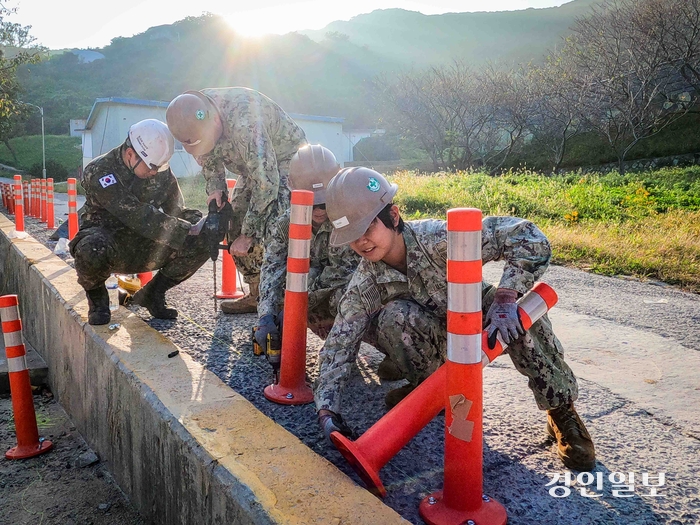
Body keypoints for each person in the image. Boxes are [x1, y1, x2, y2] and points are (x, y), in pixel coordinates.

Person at [314, 167, 596, 472]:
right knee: (394, 320)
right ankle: (433, 393)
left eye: (367, 228)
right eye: (353, 237)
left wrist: (506, 296)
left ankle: (561, 411)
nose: (362, 243)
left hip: (481, 319)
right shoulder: (367, 280)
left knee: (524, 318)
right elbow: (340, 342)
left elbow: (528, 236)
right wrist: (327, 411)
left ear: (393, 216)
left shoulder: (441, 238)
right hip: (441, 339)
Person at [166, 87, 308, 314]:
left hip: (287, 162)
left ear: (214, 122)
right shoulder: (192, 113)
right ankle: (257, 293)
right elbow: (208, 159)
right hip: (252, 169)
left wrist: (248, 234)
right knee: (235, 218)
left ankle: (278, 298)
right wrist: (216, 190)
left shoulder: (245, 123)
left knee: (271, 223)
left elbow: (266, 183)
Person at [69, 119, 211, 325]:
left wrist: (203, 224)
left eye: (159, 167)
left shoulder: (160, 172)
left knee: (204, 239)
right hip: (109, 245)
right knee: (91, 248)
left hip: (145, 245)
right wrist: (186, 229)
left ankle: (153, 294)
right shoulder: (99, 171)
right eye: (152, 166)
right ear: (130, 154)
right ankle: (98, 300)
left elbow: (177, 210)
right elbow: (136, 214)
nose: (154, 172)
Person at [254, 145, 361, 350]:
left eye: (324, 202)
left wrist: (296, 304)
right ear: (291, 187)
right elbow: (272, 268)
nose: (320, 210)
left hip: (347, 296)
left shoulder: (349, 216)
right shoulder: (287, 225)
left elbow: (345, 272)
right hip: (314, 292)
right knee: (288, 287)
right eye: (312, 203)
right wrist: (266, 315)